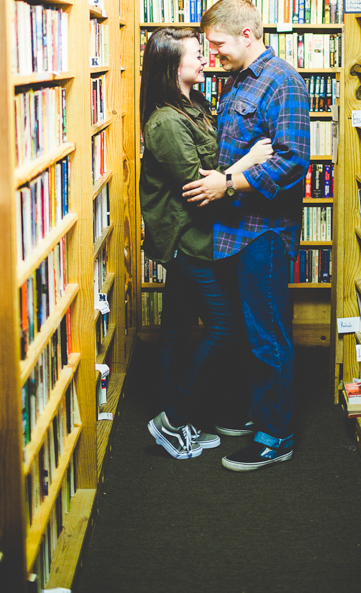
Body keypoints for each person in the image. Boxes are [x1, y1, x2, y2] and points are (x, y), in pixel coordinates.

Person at [183, 0, 311, 471]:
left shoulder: (283, 83)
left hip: (264, 234)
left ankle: (276, 436)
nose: (212, 56)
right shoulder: (237, 81)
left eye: (217, 46)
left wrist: (229, 182)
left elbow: (295, 162)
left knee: (268, 336)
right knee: (245, 331)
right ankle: (256, 416)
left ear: (247, 34)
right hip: (233, 232)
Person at [139, 28, 272, 460]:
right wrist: (249, 162)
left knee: (176, 328)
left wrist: (227, 172)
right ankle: (173, 420)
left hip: (198, 238)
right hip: (187, 240)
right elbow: (199, 187)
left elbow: (213, 168)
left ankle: (177, 417)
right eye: (197, 53)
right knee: (224, 329)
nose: (205, 58)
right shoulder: (165, 121)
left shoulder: (193, 105)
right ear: (172, 65)